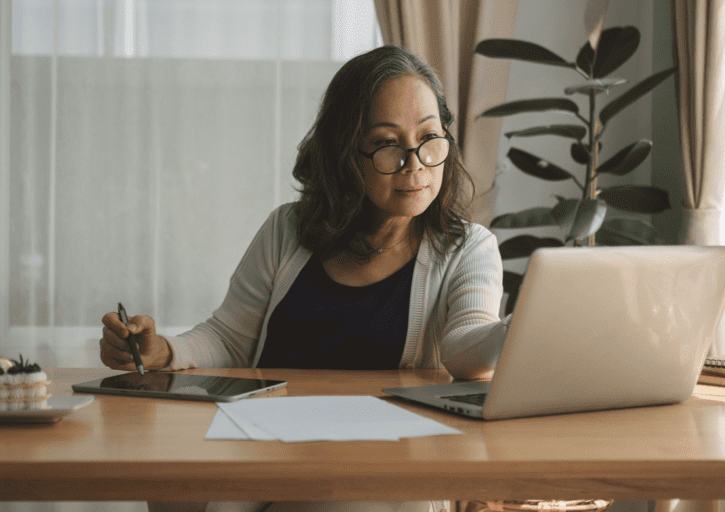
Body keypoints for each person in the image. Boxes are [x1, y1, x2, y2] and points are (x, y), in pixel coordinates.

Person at [100, 45, 510, 512]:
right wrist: (164, 350)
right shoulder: (288, 230)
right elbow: (229, 337)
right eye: (386, 144)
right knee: (178, 484)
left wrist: (513, 330)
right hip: (264, 442)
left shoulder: (467, 248)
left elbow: (465, 348)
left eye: (429, 138)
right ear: (345, 152)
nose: (414, 162)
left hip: (386, 459)